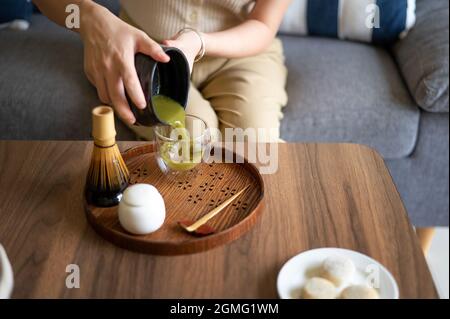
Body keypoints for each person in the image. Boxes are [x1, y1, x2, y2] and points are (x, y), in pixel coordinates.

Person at [34, 0, 290, 142]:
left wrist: (199, 42)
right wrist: (86, 19)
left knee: (255, 145)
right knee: (191, 138)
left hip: (241, 52)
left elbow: (263, 24)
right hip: (144, 50)